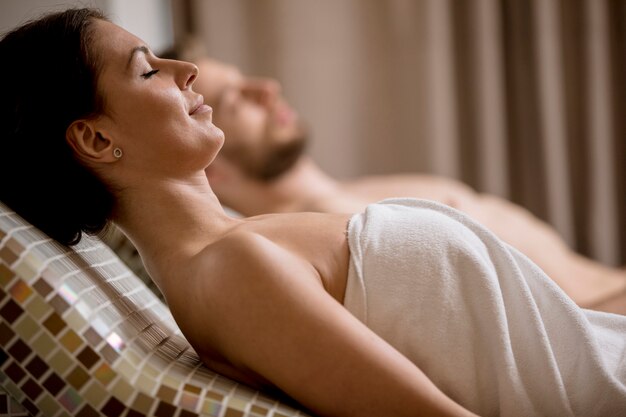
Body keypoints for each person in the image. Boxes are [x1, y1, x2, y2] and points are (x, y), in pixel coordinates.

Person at [2, 8, 625, 417]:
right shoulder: (229, 272)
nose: (186, 70)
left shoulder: (237, 249)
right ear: (95, 140)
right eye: (147, 70)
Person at [160, 38, 626, 313]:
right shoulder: (341, 233)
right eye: (237, 99)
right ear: (210, 166)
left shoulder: (351, 195)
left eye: (248, 80)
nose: (267, 89)